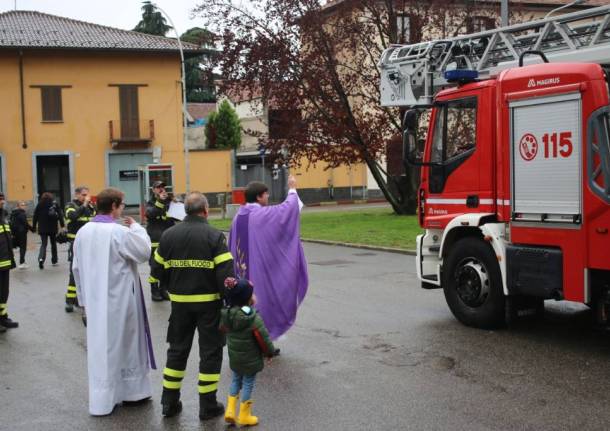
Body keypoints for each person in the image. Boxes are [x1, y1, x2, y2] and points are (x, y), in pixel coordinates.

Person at [151, 192, 234, 421]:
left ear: (186, 211)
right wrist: (228, 301)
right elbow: (226, 275)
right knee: (211, 353)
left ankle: (169, 402)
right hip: (209, 306)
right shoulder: (214, 235)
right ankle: (207, 406)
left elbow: (156, 269)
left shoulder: (169, 235)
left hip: (179, 306)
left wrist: (172, 287)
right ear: (206, 210)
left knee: (177, 352)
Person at [72, 187, 154, 416]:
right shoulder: (119, 233)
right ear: (115, 206)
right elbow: (144, 252)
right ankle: (131, 392)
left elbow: (76, 269)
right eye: (122, 204)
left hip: (96, 302)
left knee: (102, 348)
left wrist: (84, 302)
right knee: (126, 343)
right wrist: (137, 227)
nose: (123, 208)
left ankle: (103, 398)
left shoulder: (83, 232)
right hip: (120, 300)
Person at [228, 176, 308, 340]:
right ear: (258, 196)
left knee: (246, 304)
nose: (268, 197)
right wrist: (292, 189)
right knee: (262, 302)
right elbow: (287, 211)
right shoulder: (260, 215)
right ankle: (262, 339)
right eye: (266, 194)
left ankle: (248, 339)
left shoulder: (239, 216)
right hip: (258, 276)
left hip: (242, 274)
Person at [220, 278, 276, 426]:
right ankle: (244, 415)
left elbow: (222, 329)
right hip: (251, 360)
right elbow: (264, 339)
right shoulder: (252, 318)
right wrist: (269, 353)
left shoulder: (227, 314)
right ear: (249, 298)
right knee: (248, 383)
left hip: (235, 358)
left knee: (235, 380)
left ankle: (230, 410)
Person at [64, 186, 96, 313]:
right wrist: (85, 204)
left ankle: (80, 299)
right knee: (74, 271)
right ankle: (69, 300)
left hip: (89, 243)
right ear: (77, 195)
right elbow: (72, 216)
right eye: (83, 195)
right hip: (75, 243)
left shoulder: (89, 206)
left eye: (87, 195)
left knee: (87, 271)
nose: (85, 197)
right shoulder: (70, 206)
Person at [145, 180, 174, 302]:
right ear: (153, 190)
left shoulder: (169, 203)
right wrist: (161, 201)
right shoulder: (150, 203)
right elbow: (151, 214)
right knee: (155, 266)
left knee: (167, 266)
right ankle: (154, 291)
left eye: (163, 187)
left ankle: (163, 289)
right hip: (155, 240)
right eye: (158, 187)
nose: (161, 189)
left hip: (168, 238)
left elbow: (176, 217)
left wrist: (177, 204)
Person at [32, 192, 64, 270]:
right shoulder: (54, 203)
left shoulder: (40, 204)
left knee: (44, 244)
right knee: (53, 244)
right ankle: (54, 260)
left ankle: (41, 259)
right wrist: (62, 225)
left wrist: (34, 227)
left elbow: (35, 215)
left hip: (42, 228)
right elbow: (60, 214)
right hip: (52, 227)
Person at [0, 192, 17, 331]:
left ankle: (3, 317)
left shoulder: (3, 215)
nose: (2, 202)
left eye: (2, 199)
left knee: (4, 292)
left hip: (5, 261)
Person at [10, 201, 34, 269]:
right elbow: (25, 223)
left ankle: (13, 261)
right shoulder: (22, 213)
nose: (24, 206)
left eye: (24, 204)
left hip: (15, 232)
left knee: (13, 247)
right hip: (22, 233)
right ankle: (22, 262)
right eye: (22, 205)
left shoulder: (13, 213)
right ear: (18, 206)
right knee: (23, 248)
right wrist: (32, 229)